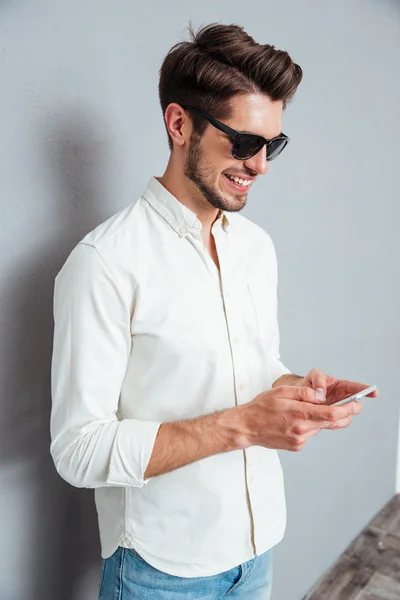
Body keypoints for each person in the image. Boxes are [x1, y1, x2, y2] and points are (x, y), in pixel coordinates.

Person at [50, 22, 378, 600]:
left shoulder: (255, 247)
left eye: (272, 145)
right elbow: (78, 449)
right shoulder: (104, 262)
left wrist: (296, 389)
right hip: (160, 568)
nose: (261, 165)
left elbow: (253, 365)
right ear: (180, 125)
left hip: (257, 548)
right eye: (245, 142)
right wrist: (247, 424)